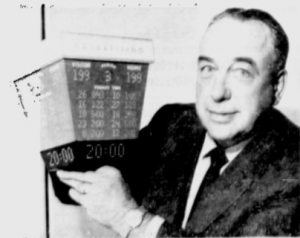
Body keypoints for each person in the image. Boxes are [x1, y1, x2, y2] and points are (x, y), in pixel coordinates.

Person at [57, 8, 300, 237]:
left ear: (277, 87)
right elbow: (82, 177)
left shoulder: (293, 171)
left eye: (241, 72)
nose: (217, 92)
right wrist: (61, 85)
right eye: (208, 68)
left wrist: (128, 218)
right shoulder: (174, 123)